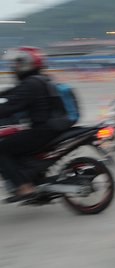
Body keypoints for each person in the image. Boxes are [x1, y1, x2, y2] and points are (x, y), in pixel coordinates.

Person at [0, 46, 66, 203]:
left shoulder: (31, 84)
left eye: (17, 63)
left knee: (1, 149)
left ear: (27, 63)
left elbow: (11, 105)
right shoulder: (40, 79)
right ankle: (38, 186)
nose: (14, 66)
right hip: (50, 128)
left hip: (42, 130)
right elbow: (13, 93)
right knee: (16, 143)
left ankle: (24, 186)